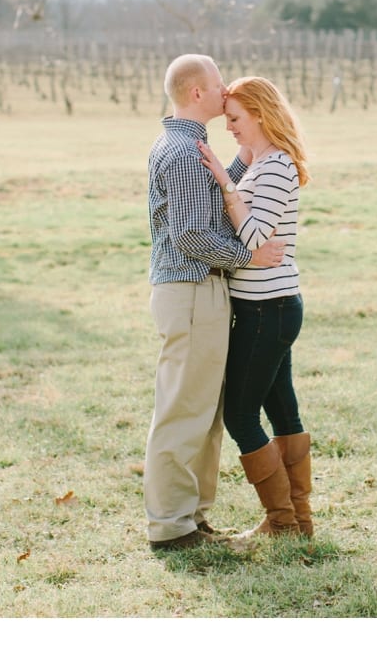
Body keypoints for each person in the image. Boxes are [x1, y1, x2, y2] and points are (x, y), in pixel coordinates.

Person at [144, 55, 287, 551]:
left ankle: (192, 518)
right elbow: (191, 234)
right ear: (197, 94)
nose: (226, 90)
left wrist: (241, 163)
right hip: (190, 290)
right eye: (219, 83)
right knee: (184, 409)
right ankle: (170, 526)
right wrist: (249, 255)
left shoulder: (189, 147)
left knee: (203, 410)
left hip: (200, 291)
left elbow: (202, 202)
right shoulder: (183, 153)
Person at [196, 76, 314, 543]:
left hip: (268, 309)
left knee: (241, 415)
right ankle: (297, 522)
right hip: (269, 306)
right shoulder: (259, 164)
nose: (229, 127)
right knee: (282, 408)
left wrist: (227, 183)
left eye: (236, 119)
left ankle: (282, 522)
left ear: (261, 115)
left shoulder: (278, 167)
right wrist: (236, 168)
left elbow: (252, 239)